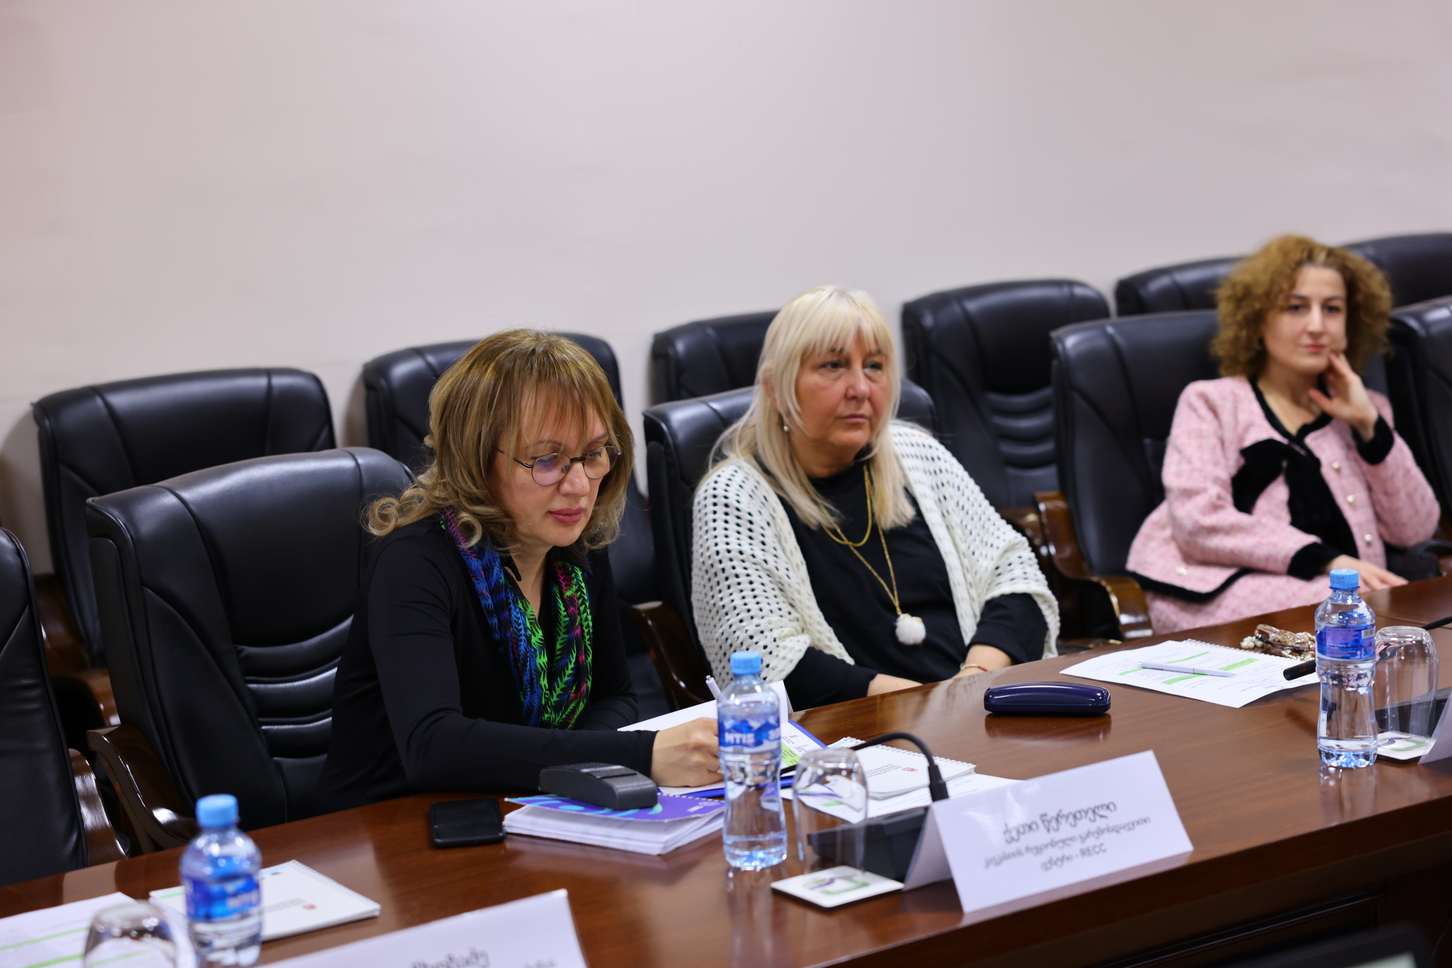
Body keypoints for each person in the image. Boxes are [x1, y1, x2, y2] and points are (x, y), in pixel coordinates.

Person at [316, 331, 718, 812]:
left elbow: (615, 697)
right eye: (547, 460)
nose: (579, 486)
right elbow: (433, 744)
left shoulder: (578, 543)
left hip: (524, 808)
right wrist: (636, 755)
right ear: (477, 460)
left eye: (593, 453)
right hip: (383, 826)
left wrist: (585, 768)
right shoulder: (414, 562)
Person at [691, 286, 1058, 710]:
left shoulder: (917, 455)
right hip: (858, 733)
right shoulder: (734, 497)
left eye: (874, 366)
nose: (861, 388)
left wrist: (972, 682)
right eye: (833, 365)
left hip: (982, 705)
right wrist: (929, 706)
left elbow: (1016, 580)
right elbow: (768, 664)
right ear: (775, 388)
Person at [1126, 235, 1440, 633]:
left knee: (1378, 616)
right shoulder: (1211, 402)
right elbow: (1198, 522)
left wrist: (1368, 425)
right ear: (1258, 319)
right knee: (1361, 616)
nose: (1316, 326)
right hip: (1217, 588)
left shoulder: (1368, 406)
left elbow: (1415, 529)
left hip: (1347, 596)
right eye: (1296, 307)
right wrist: (1324, 560)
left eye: (1332, 309)